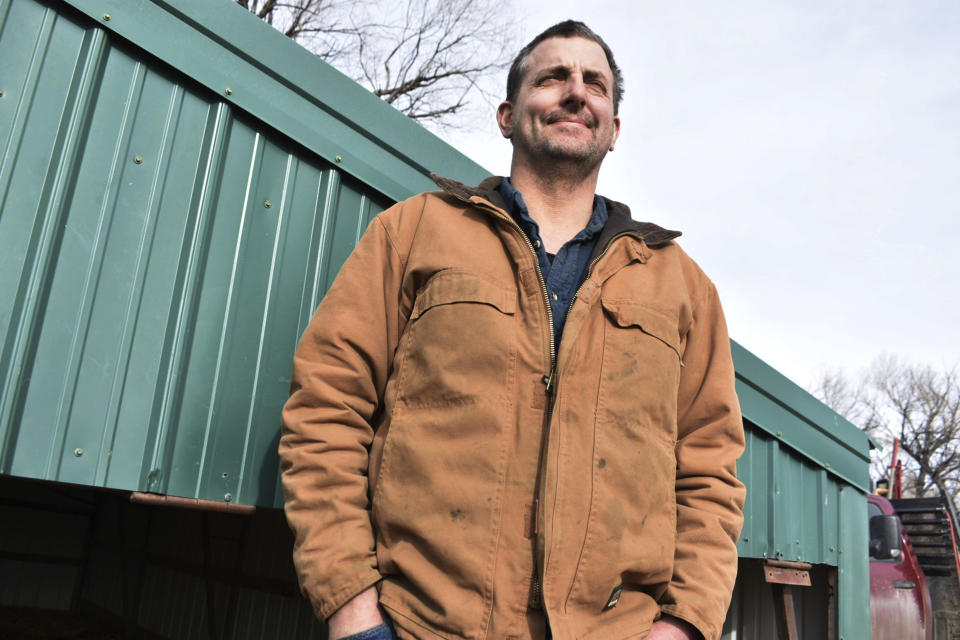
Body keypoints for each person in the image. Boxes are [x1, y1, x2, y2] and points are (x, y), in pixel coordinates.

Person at [280, 20, 745, 640]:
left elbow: (710, 475)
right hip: (421, 627)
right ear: (507, 114)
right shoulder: (413, 232)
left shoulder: (681, 286)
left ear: (614, 130)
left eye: (596, 85)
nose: (577, 93)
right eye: (553, 77)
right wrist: (353, 610)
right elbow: (326, 411)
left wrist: (683, 626)